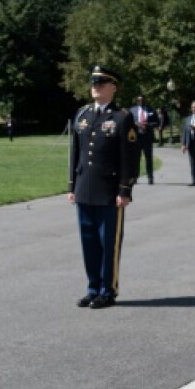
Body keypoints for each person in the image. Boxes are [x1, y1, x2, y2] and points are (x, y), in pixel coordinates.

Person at [68, 64, 141, 309]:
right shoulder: (82, 114)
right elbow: (75, 153)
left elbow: (129, 157)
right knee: (88, 241)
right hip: (84, 188)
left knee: (108, 242)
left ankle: (107, 290)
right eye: (93, 83)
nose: (95, 87)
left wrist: (125, 189)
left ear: (113, 88)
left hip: (110, 192)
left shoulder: (122, 117)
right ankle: (92, 287)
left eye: (101, 83)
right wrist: (71, 186)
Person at [129, 95, 159, 184]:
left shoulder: (151, 109)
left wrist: (148, 125)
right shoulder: (132, 110)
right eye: (139, 100)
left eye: (142, 100)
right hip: (136, 137)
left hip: (147, 137)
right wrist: (136, 124)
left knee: (148, 158)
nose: (140, 101)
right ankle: (135, 177)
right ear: (136, 101)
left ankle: (150, 177)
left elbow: (157, 122)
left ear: (144, 100)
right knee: (136, 158)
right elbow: (128, 123)